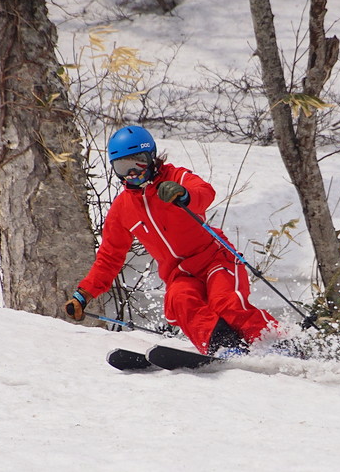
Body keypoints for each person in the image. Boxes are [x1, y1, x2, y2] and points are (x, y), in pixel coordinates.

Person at [65, 125, 279, 356]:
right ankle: (225, 348)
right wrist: (84, 294)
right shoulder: (122, 209)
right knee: (180, 300)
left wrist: (184, 195)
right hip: (180, 273)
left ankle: (276, 344)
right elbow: (109, 257)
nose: (132, 173)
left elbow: (204, 192)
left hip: (216, 259)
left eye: (138, 163)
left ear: (151, 157)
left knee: (226, 303)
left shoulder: (176, 177)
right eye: (123, 167)